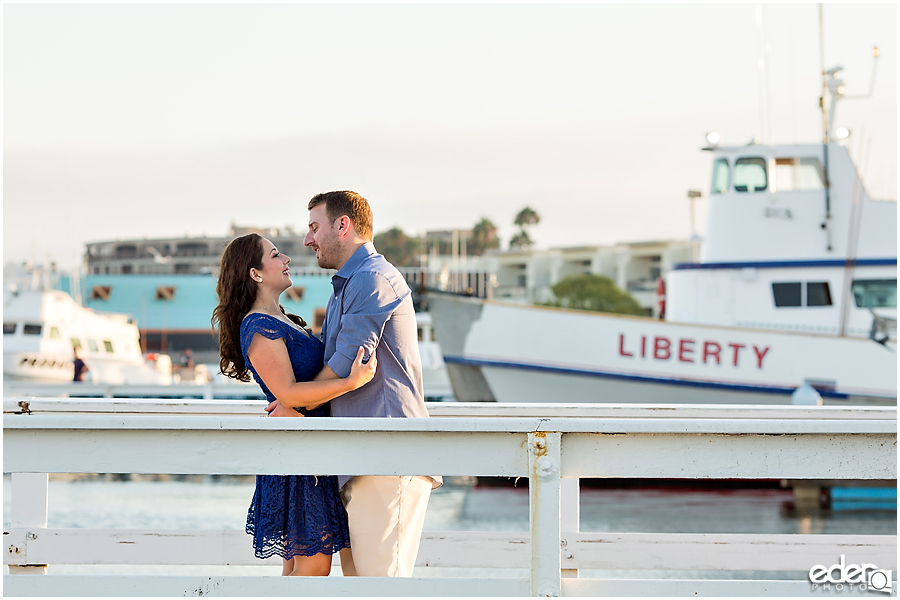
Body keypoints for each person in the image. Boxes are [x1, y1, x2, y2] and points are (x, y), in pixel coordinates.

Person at [268, 190, 441, 577]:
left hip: (387, 457)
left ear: (343, 225)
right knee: (361, 589)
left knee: (381, 589)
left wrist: (296, 404)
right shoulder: (348, 285)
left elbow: (346, 367)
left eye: (314, 227)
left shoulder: (373, 279)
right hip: (363, 457)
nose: (308, 239)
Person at [212, 232, 377, 577]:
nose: (286, 259)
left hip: (308, 449)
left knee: (299, 568)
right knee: (314, 566)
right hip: (297, 457)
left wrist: (295, 405)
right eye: (275, 255)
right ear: (255, 274)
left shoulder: (283, 319)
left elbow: (292, 395)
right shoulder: (258, 326)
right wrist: (350, 382)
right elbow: (286, 391)